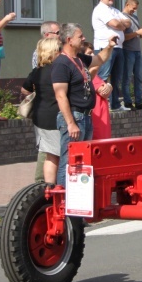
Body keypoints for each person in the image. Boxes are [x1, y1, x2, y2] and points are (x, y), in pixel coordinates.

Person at [52, 23, 116, 185]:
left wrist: (109, 46)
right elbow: (60, 96)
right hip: (74, 116)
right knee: (68, 161)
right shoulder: (62, 63)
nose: (84, 38)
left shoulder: (79, 58)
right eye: (80, 36)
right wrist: (70, 123)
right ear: (69, 40)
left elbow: (99, 59)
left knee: (83, 161)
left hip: (85, 116)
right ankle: (63, 200)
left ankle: (78, 199)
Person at [22, 38, 63, 185]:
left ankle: (48, 189)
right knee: (60, 156)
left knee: (50, 156)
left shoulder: (36, 72)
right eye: (59, 49)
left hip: (40, 117)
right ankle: (61, 188)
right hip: (57, 117)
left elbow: (24, 89)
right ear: (54, 51)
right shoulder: (60, 70)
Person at [91, 0, 131, 112]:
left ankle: (115, 104)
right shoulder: (100, 9)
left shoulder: (114, 10)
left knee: (116, 77)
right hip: (105, 47)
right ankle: (98, 104)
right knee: (103, 75)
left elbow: (128, 22)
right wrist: (121, 24)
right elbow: (115, 24)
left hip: (118, 47)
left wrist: (121, 23)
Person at [30, 21, 60, 182]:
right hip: (47, 109)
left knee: (50, 149)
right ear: (47, 35)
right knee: (48, 149)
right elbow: (35, 82)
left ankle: (46, 182)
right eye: (57, 33)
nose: (60, 36)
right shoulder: (41, 57)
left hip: (47, 107)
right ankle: (42, 183)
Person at [121, 0, 142, 110]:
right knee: (127, 77)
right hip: (127, 50)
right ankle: (127, 101)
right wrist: (137, 32)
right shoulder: (122, 18)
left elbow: (136, 35)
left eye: (136, 9)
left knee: (139, 77)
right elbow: (123, 37)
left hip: (137, 50)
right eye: (133, 8)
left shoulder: (135, 18)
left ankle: (139, 101)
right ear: (127, 5)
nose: (134, 10)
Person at [81, 42, 113, 140]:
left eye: (92, 53)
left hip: (102, 121)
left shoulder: (96, 76)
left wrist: (109, 85)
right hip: (96, 121)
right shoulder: (88, 76)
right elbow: (104, 92)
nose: (92, 56)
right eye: (89, 53)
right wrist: (109, 86)